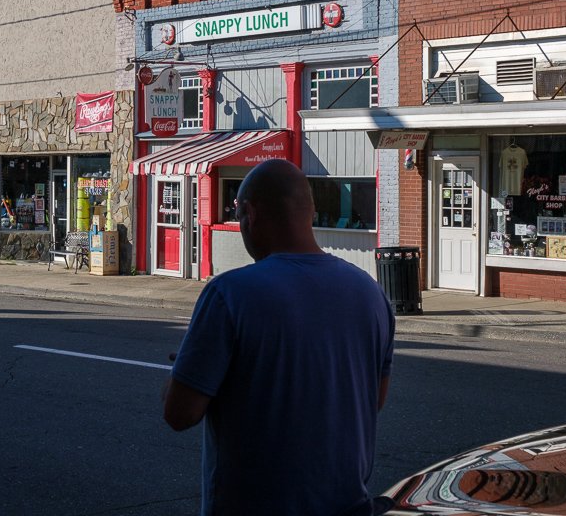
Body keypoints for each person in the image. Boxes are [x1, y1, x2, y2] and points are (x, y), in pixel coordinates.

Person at [162, 159, 395, 516]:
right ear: (310, 212)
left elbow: (179, 413)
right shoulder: (371, 293)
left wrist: (186, 366)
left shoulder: (229, 294)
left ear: (250, 215)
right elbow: (373, 399)